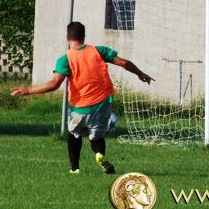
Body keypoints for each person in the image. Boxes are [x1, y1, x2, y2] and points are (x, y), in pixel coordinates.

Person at [11, 21, 154, 174]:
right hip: (102, 106)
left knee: (74, 134)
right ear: (84, 36)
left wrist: (28, 90)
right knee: (96, 137)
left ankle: (75, 169)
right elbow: (124, 63)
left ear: (67, 37)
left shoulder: (65, 59)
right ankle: (99, 154)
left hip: (79, 109)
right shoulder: (98, 51)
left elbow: (54, 84)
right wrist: (140, 73)